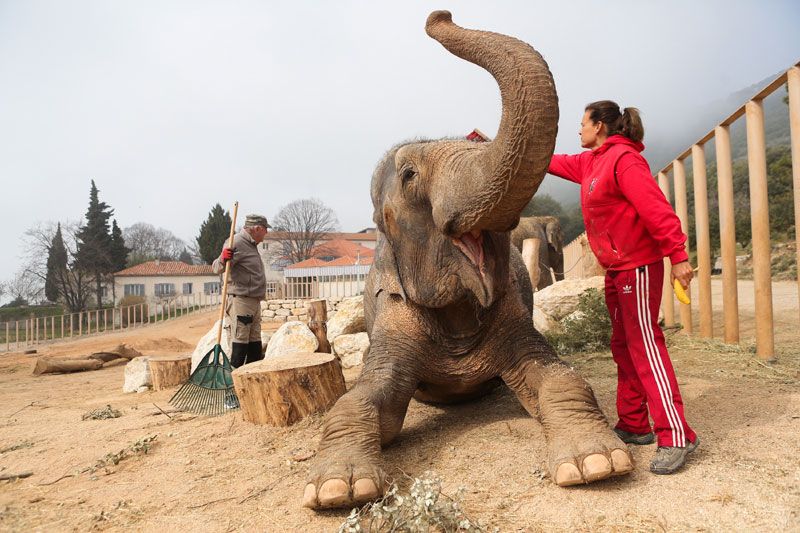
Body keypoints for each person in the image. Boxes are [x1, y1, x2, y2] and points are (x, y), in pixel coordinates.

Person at [547, 100, 699, 475]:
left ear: (599, 125)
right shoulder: (590, 163)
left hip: (639, 267)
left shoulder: (624, 160)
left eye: (583, 123)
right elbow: (550, 161)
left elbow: (656, 209)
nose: (578, 129)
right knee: (623, 345)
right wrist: (500, 144)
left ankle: (676, 434)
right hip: (616, 270)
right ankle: (633, 423)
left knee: (645, 344)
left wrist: (677, 255)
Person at [212, 213, 271, 369]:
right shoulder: (236, 242)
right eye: (265, 229)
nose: (266, 233)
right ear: (257, 228)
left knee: (255, 344)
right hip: (241, 300)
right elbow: (217, 267)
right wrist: (223, 258)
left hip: (254, 300)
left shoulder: (251, 245)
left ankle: (252, 381)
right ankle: (234, 385)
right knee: (240, 345)